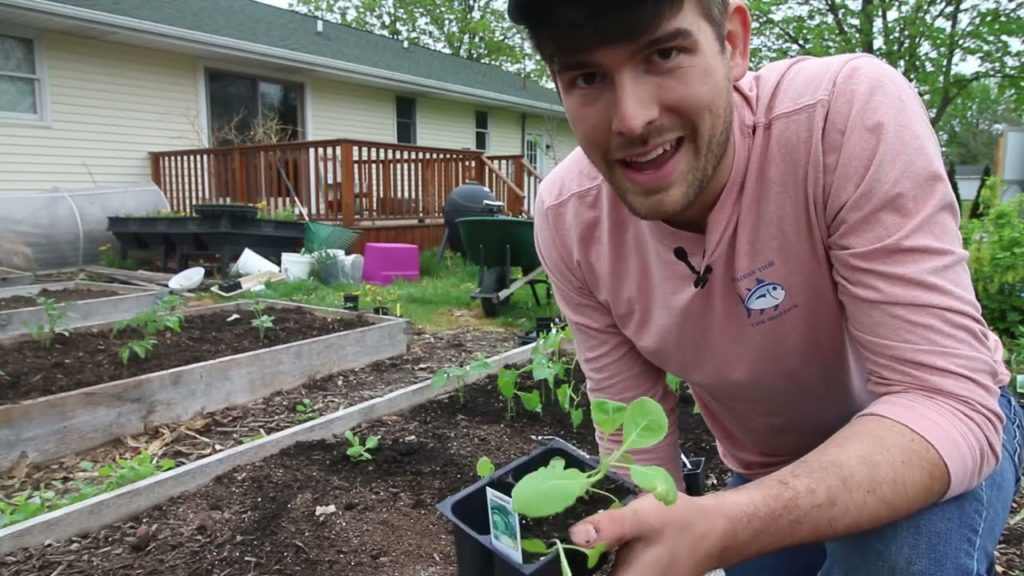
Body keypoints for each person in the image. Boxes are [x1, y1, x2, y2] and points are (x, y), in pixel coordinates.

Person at [507, 0, 1024, 574]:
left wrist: (727, 523)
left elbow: (945, 400)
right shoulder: (569, 219)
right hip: (766, 466)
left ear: (731, 42)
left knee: (891, 560)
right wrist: (642, 534)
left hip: (929, 433)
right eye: (587, 77)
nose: (631, 118)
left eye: (665, 53)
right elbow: (633, 434)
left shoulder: (841, 116)